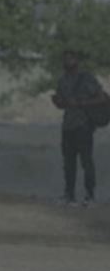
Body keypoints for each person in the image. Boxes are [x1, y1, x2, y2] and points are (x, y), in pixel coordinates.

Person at [50, 49, 110, 207]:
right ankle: (69, 195)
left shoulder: (86, 78)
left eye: (70, 58)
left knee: (86, 162)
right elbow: (63, 103)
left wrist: (81, 103)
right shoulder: (62, 80)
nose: (67, 61)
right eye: (65, 59)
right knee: (68, 163)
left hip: (84, 125)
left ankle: (90, 196)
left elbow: (102, 98)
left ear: (77, 60)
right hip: (68, 125)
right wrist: (58, 102)